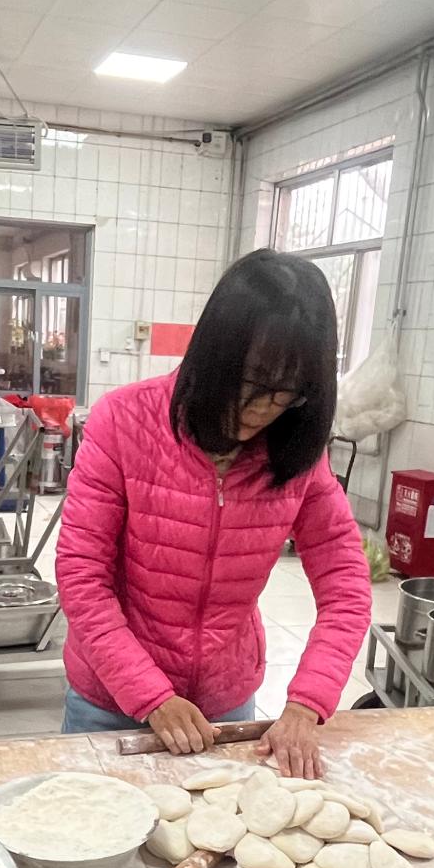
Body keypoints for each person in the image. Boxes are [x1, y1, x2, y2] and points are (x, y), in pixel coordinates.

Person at [55, 248, 372, 779]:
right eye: (253, 384)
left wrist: (307, 703)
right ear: (214, 356)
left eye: (287, 394)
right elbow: (82, 576)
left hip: (226, 703)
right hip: (110, 701)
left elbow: (347, 587)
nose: (263, 410)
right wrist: (151, 695)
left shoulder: (296, 452)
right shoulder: (123, 421)